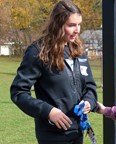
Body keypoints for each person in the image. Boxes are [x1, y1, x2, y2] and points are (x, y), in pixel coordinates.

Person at [10, 0, 98, 144]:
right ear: (57, 24)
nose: (77, 30)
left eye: (79, 24)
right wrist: (49, 111)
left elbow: (90, 87)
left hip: (77, 132)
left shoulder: (78, 51)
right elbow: (18, 92)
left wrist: (89, 102)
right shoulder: (38, 51)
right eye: (71, 25)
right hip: (52, 135)